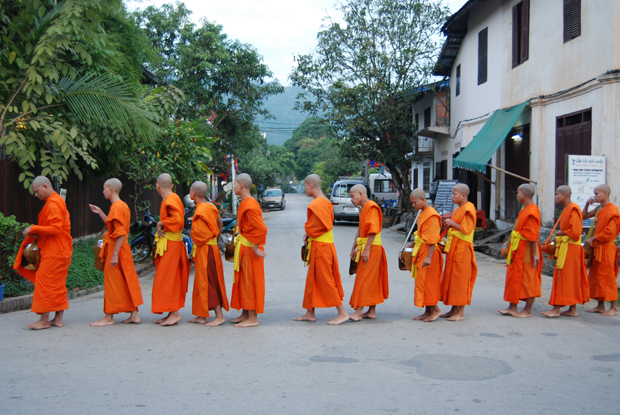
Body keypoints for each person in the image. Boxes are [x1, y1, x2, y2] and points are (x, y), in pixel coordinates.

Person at [13, 176, 72, 330]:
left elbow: (56, 228)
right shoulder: (56, 201)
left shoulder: (53, 204)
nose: (36, 195)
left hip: (55, 251)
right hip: (60, 249)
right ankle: (58, 319)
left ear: (45, 186)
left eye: (37, 191)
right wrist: (37, 234)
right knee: (57, 285)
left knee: (44, 282)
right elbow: (54, 228)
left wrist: (34, 229)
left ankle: (44, 320)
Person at [88, 179, 144, 326]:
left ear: (111, 189)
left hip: (116, 249)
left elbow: (119, 233)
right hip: (122, 248)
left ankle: (108, 317)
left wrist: (113, 255)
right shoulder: (122, 206)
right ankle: (134, 314)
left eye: (104, 189)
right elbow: (112, 226)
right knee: (126, 280)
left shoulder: (117, 207)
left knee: (112, 283)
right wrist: (100, 212)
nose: (103, 191)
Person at [294, 174, 348, 325]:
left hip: (322, 247)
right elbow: (323, 225)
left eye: (305, 186)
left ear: (310, 185)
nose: (304, 189)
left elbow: (314, 227)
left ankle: (342, 312)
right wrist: (310, 233)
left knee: (326, 279)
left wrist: (308, 232)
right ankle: (310, 312)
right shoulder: (326, 202)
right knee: (313, 279)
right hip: (323, 245)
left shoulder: (316, 204)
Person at [541, 185, 589, 317]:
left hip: (571, 250)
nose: (555, 196)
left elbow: (576, 232)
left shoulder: (573, 208)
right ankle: (572, 309)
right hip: (567, 247)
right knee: (570, 278)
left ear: (564, 195)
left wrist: (560, 233)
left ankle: (556, 309)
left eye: (557, 194)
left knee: (562, 277)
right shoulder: (566, 209)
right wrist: (555, 240)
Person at [187, 181, 229, 326]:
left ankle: (219, 315)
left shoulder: (200, 210)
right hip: (210, 248)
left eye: (190, 190)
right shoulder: (210, 207)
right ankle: (201, 315)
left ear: (193, 193)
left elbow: (200, 234)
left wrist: (195, 236)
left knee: (210, 281)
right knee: (201, 281)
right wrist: (215, 240)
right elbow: (220, 224)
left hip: (206, 250)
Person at [498, 184, 542, 318]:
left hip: (528, 250)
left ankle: (527, 310)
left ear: (524, 195)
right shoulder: (524, 209)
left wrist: (535, 254)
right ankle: (512, 307)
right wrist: (509, 241)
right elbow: (517, 229)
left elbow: (533, 236)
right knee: (514, 277)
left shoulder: (532, 211)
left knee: (528, 279)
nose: (516, 195)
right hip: (518, 247)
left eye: (518, 193)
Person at [151, 173, 190, 326]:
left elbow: (177, 220)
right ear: (172, 185)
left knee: (168, 279)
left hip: (172, 246)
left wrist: (161, 222)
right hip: (169, 244)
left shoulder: (171, 199)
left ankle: (174, 313)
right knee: (166, 279)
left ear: (157, 185)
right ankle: (170, 312)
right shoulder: (172, 198)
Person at [230, 173, 268, 328]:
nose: (233, 187)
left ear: (240, 185)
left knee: (250, 282)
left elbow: (261, 229)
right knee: (243, 282)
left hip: (249, 250)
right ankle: (245, 313)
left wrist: (254, 246)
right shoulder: (246, 202)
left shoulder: (249, 204)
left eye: (234, 184)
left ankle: (253, 318)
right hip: (244, 248)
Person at [348, 184, 389, 321]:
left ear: (361, 194)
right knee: (372, 278)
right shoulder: (364, 208)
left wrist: (366, 249)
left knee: (365, 278)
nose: (351, 200)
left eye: (352, 196)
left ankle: (359, 311)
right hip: (366, 245)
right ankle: (371, 311)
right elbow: (360, 229)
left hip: (372, 247)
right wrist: (354, 246)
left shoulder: (371, 207)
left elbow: (373, 230)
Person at [439, 183, 478, 321]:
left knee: (460, 279)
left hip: (462, 248)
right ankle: (453, 309)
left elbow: (466, 229)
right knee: (451, 278)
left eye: (454, 194)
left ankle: (460, 312)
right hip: (454, 247)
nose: (452, 196)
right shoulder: (459, 208)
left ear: (463, 195)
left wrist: (452, 223)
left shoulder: (469, 208)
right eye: (452, 193)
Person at [582, 184, 620, 316]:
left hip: (607, 248)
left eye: (597, 193)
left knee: (608, 277)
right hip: (598, 248)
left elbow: (610, 232)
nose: (595, 196)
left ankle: (614, 307)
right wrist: (587, 204)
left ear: (605, 193)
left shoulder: (612, 210)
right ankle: (600, 305)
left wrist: (593, 239)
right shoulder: (599, 208)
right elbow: (584, 216)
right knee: (597, 276)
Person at [408, 188, 444, 322]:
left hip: (430, 253)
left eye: (414, 202)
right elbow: (423, 235)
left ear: (422, 199)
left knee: (429, 282)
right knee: (422, 281)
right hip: (422, 249)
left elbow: (433, 238)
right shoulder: (423, 213)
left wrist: (429, 256)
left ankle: (435, 309)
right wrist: (413, 244)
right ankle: (427, 311)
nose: (413, 205)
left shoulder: (432, 214)